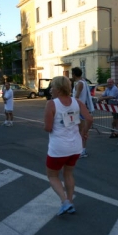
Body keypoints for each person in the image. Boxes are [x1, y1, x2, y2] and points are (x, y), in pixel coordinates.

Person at [44, 76, 93, 215]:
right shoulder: (76, 102)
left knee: (52, 175)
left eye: (52, 86)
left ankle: (64, 201)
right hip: (75, 146)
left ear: (58, 89)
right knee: (68, 173)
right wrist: (84, 132)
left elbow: (48, 128)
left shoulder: (52, 104)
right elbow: (89, 118)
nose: (51, 89)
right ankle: (70, 201)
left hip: (58, 147)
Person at [71, 67, 94, 158]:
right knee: (79, 130)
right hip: (79, 109)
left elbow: (76, 97)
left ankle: (83, 150)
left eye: (72, 74)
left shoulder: (80, 84)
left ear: (74, 74)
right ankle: (80, 149)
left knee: (82, 131)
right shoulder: (82, 82)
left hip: (79, 109)